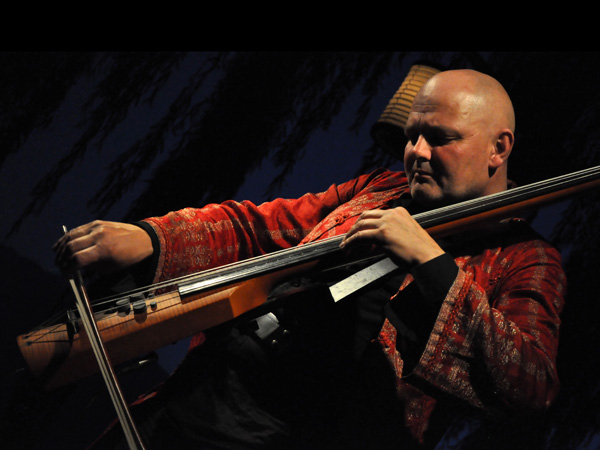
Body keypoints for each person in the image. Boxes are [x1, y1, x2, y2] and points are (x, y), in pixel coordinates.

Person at [54, 69, 566, 449]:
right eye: (412, 135)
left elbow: (530, 385)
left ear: (499, 149)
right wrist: (149, 237)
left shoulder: (527, 258)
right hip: (211, 394)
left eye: (441, 138)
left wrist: (431, 261)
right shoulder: (377, 188)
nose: (416, 152)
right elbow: (260, 225)